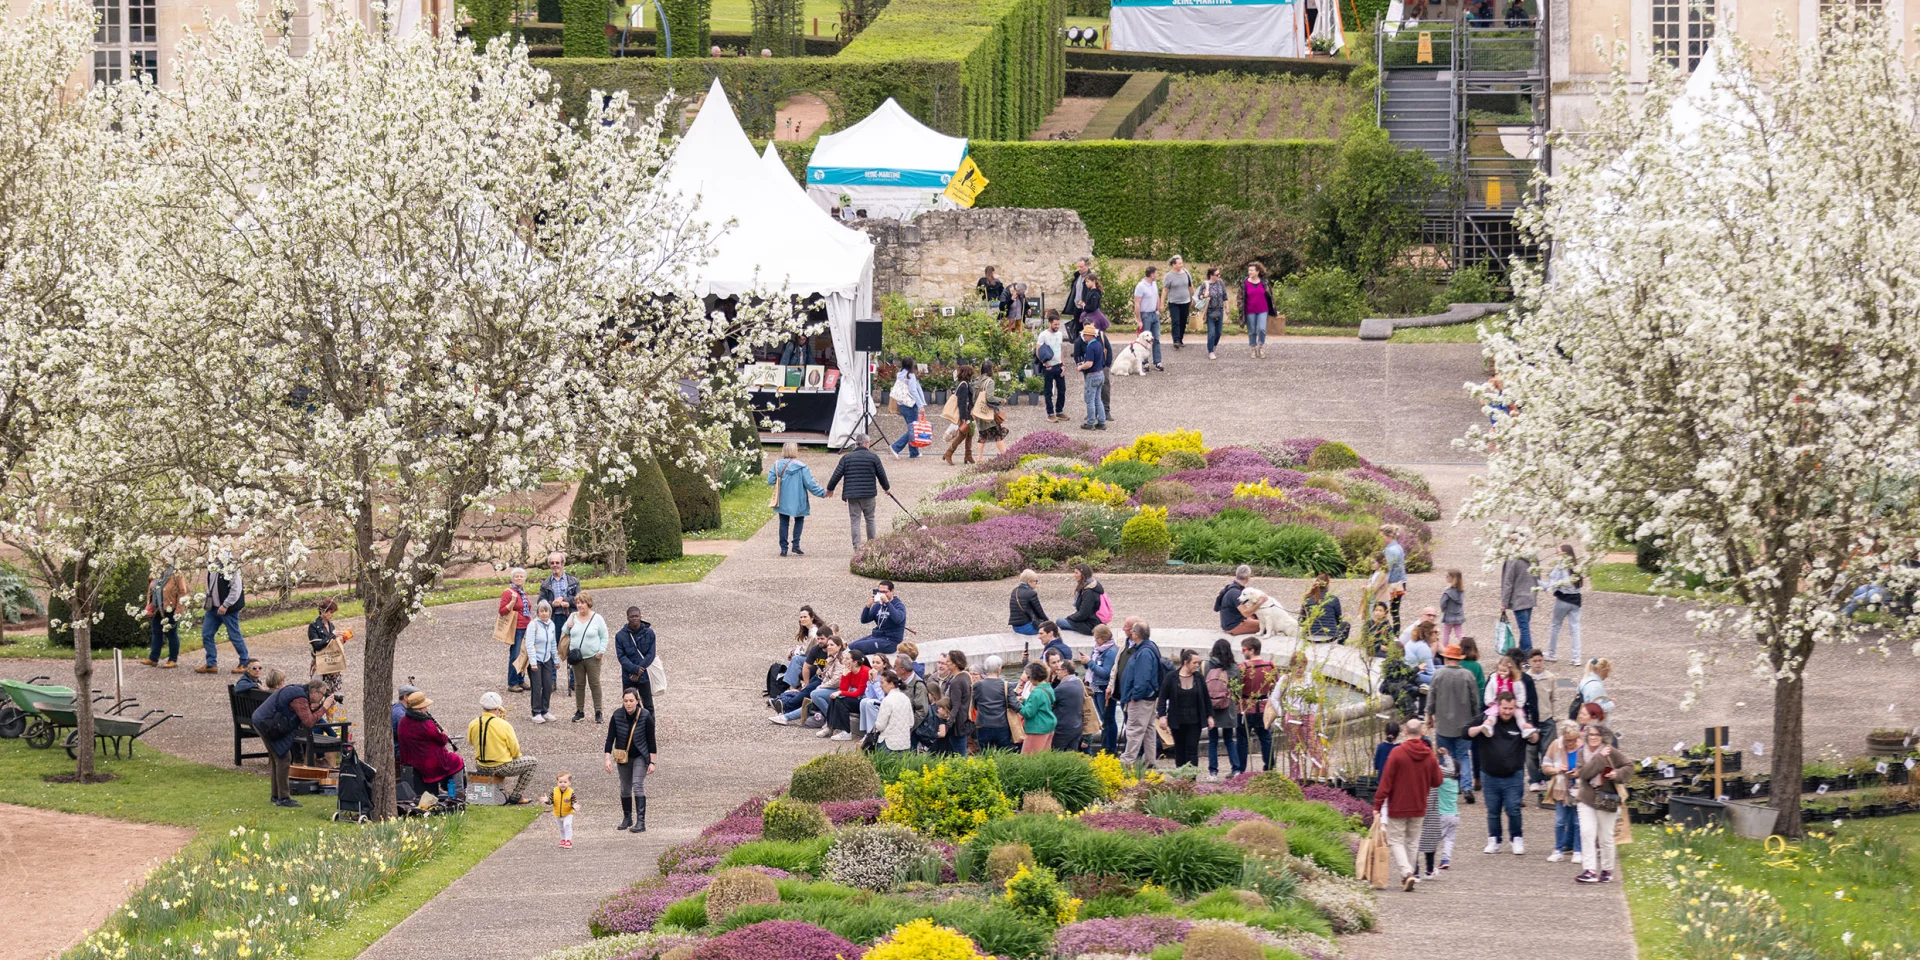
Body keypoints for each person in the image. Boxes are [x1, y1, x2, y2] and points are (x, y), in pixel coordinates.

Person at [1374, 718, 1443, 892]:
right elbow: (1438, 781)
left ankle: (1406, 872)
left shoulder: (1397, 753)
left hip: (1398, 804)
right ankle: (1409, 873)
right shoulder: (1429, 755)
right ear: (1422, 733)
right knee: (1413, 841)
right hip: (1419, 804)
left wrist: (1378, 804)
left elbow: (1386, 782)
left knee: (1395, 840)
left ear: (1405, 732)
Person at [252, 674, 337, 807]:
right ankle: (283, 798)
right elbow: (309, 722)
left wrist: (320, 707)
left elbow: (306, 714)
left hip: (263, 721)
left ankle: (276, 796)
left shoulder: (300, 693)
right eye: (322, 694)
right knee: (283, 758)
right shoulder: (299, 698)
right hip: (266, 724)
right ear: (314, 692)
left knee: (279, 758)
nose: (323, 697)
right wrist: (324, 707)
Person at [1469, 691, 1538, 854]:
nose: (1507, 712)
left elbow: (1535, 740)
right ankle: (1494, 839)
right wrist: (1481, 728)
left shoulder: (1519, 721)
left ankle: (1516, 838)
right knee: (1493, 810)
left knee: (1513, 808)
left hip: (1513, 774)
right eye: (1504, 708)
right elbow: (1466, 732)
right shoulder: (1486, 718)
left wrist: (1532, 732)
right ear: (1498, 707)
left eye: (1510, 709)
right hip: (1489, 774)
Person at [1572, 723, 1632, 883]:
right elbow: (1584, 774)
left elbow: (1629, 766)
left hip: (1606, 798)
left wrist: (1616, 773)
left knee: (1605, 837)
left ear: (1603, 737)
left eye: (1596, 735)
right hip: (1586, 797)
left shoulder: (1611, 752)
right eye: (1590, 735)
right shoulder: (1581, 753)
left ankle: (1607, 869)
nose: (1593, 738)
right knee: (1587, 833)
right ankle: (1590, 870)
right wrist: (1599, 758)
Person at [603, 687, 658, 832]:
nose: (628, 704)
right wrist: (607, 759)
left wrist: (652, 762)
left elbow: (652, 741)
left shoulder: (645, 716)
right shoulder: (617, 715)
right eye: (626, 701)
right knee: (625, 788)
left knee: (637, 784)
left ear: (637, 701)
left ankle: (641, 822)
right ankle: (627, 818)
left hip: (640, 755)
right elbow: (610, 738)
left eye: (631, 701)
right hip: (623, 756)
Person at [1428, 644, 1479, 803]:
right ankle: (1467, 787)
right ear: (1459, 659)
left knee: (1445, 756)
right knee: (1463, 756)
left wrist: (1429, 716)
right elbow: (1475, 701)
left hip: (1443, 723)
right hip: (1464, 724)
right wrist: (1475, 719)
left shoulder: (1438, 674)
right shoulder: (1468, 675)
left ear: (1446, 658)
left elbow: (1431, 698)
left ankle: (1449, 787)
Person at [470, 692, 537, 805]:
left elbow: (471, 741)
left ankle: (497, 791)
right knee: (532, 762)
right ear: (497, 708)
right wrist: (514, 757)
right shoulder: (504, 725)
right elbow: (515, 748)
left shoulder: (473, 723)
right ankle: (516, 795)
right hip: (500, 766)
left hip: (481, 765)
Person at [1266, 651, 1325, 780]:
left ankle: (1320, 774)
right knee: (1294, 748)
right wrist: (1283, 713)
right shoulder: (1285, 679)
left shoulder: (1310, 678)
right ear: (1292, 666)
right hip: (1292, 717)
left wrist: (1314, 713)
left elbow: (1316, 697)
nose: (1300, 669)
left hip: (1307, 715)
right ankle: (1295, 777)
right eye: (1297, 666)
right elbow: (1274, 698)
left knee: (1313, 745)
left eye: (1302, 666)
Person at [1115, 620, 1165, 769]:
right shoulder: (1149, 647)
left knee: (1134, 730)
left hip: (1141, 699)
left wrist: (1134, 696)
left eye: (1133, 632)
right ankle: (1150, 761)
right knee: (1149, 730)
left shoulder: (1144, 652)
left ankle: (1127, 761)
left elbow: (1143, 677)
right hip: (1148, 697)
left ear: (1136, 634)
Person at [826, 433, 890, 551]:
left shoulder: (847, 458)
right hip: (868, 494)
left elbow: (837, 475)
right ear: (866, 443)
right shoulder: (873, 458)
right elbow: (881, 474)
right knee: (870, 518)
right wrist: (886, 488)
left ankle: (857, 547)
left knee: (855, 520)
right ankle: (872, 544)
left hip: (852, 494)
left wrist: (830, 488)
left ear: (857, 444)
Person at [767, 442, 830, 557]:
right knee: (799, 520)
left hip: (783, 498)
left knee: (783, 521)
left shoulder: (777, 465)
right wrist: (823, 493)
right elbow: (810, 484)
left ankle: (783, 548)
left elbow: (770, 480)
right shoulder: (802, 466)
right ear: (795, 451)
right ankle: (796, 545)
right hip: (799, 498)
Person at [396, 689, 464, 794]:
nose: (426, 708)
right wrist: (444, 734)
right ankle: (459, 792)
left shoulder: (403, 721)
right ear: (421, 708)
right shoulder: (425, 724)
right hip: (426, 762)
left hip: (410, 760)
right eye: (425, 706)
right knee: (457, 761)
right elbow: (441, 740)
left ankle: (442, 789)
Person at [772, 636, 845, 725]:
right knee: (811, 702)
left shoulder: (841, 660)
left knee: (814, 694)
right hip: (830, 687)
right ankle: (785, 717)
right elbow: (826, 676)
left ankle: (831, 719)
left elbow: (836, 681)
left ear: (839, 646)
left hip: (838, 690)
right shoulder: (830, 658)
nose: (829, 647)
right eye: (828, 644)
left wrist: (821, 686)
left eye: (832, 645)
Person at [196, 553, 249, 674]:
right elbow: (212, 586)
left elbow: (236, 589)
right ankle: (211, 664)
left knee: (234, 635)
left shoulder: (232, 568)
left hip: (228, 610)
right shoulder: (212, 566)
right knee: (206, 634)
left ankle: (245, 662)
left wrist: (225, 605)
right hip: (213, 608)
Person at [1541, 720, 1584, 864]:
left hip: (1579, 790)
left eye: (1573, 740)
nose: (1570, 743)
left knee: (1578, 822)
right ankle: (1558, 849)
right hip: (1561, 790)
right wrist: (1557, 770)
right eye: (1568, 740)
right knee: (1560, 821)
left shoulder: (1584, 747)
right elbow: (1545, 766)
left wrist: (1579, 772)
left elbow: (1590, 768)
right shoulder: (1556, 745)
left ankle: (1578, 851)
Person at [538, 552, 580, 694]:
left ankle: (574, 681)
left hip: (569, 618)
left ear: (563, 564)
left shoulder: (573, 581)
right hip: (553, 620)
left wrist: (567, 601)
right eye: (552, 563)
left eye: (557, 563)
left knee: (572, 648)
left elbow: (580, 599)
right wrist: (553, 604)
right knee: (552, 650)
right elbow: (541, 604)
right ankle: (552, 681)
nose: (555, 565)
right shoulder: (545, 584)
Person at [565, 591, 610, 723]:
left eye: (582, 603)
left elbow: (604, 636)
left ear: (588, 603)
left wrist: (601, 651)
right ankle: (580, 711)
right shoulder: (573, 616)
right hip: (577, 658)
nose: (580, 605)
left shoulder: (597, 618)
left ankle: (598, 711)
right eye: (578, 603)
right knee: (579, 684)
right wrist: (567, 626)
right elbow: (564, 631)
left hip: (593, 657)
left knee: (595, 684)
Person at [1236, 636, 1277, 772]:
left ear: (1251, 650)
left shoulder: (1243, 667)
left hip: (1246, 707)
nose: (1243, 652)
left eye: (1244, 649)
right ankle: (1270, 766)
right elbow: (1275, 686)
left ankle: (1240, 769)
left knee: (1242, 740)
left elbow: (1237, 688)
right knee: (1266, 737)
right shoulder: (1270, 666)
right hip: (1264, 706)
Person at [1203, 638, 1241, 779]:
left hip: (1211, 706)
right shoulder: (1233, 667)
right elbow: (1237, 691)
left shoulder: (1208, 665)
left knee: (1212, 741)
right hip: (1227, 705)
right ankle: (1236, 769)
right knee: (1229, 739)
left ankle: (1213, 772)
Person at [143, 563, 188, 668]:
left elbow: (182, 591)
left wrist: (179, 610)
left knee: (171, 634)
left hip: (170, 608)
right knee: (156, 632)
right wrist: (148, 605)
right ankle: (153, 658)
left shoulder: (176, 573)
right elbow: (150, 588)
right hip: (156, 608)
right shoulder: (155, 570)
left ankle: (173, 659)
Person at [614, 606, 657, 714]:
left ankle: (649, 729)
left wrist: (639, 670)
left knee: (648, 706)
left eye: (637, 616)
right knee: (630, 706)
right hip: (628, 676)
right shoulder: (620, 636)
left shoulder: (649, 633)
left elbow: (651, 654)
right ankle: (632, 729)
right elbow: (621, 657)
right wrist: (634, 669)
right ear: (627, 618)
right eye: (632, 616)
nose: (635, 619)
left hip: (644, 675)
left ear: (640, 616)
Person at [1547, 543, 1585, 665]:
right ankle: (1576, 657)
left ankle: (1552, 653)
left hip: (1563, 599)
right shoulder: (1576, 567)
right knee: (1575, 629)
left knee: (1555, 626)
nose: (1557, 554)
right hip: (1576, 601)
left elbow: (1555, 581)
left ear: (1564, 554)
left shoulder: (1561, 566)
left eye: (1559, 552)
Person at [1087, 625, 1121, 755]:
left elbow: (1106, 673)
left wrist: (1090, 663)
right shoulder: (1098, 650)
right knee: (1104, 719)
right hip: (1096, 688)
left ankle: (1110, 748)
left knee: (1108, 719)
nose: (1095, 641)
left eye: (1097, 638)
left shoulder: (1111, 652)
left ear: (1103, 638)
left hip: (1104, 689)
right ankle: (1105, 746)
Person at [822, 649, 870, 743]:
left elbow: (858, 693)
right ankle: (829, 727)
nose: (845, 660)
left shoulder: (865, 671)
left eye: (847, 659)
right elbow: (843, 689)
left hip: (863, 700)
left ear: (855, 662)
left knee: (841, 700)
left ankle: (846, 732)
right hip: (855, 698)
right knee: (835, 699)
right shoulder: (849, 670)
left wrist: (840, 693)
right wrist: (844, 675)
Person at [498, 567, 533, 693]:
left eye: (521, 576)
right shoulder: (509, 592)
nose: (519, 578)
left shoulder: (522, 592)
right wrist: (512, 602)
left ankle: (521, 680)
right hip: (516, 628)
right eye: (516, 576)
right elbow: (502, 611)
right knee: (515, 655)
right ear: (512, 578)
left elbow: (527, 610)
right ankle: (512, 683)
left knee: (524, 655)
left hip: (526, 627)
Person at [851, 580, 906, 657]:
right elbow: (864, 620)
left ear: (892, 591)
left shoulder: (898, 605)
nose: (882, 595)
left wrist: (887, 603)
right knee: (849, 647)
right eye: (880, 592)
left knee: (858, 647)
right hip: (876, 636)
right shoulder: (878, 605)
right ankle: (830, 664)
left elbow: (897, 619)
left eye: (885, 592)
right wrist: (868, 606)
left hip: (890, 641)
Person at [931, 650, 972, 754]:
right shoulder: (966, 676)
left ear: (955, 664)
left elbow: (956, 706)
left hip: (957, 724)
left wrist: (948, 724)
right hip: (965, 721)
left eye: (948, 661)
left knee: (959, 753)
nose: (946, 663)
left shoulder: (956, 681)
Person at [526, 600, 560, 722]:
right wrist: (533, 662)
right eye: (542, 611)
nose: (544, 613)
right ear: (538, 612)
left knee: (548, 685)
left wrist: (556, 659)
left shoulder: (551, 624)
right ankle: (536, 712)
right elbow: (529, 644)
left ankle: (545, 710)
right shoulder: (533, 625)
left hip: (547, 659)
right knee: (537, 685)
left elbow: (553, 643)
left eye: (546, 611)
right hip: (536, 659)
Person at [1501, 549, 1539, 653]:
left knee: (1524, 628)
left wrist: (1504, 602)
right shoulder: (1532, 555)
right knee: (1525, 625)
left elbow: (1508, 582)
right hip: (1530, 595)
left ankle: (1528, 652)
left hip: (1518, 598)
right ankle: (1522, 650)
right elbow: (1537, 574)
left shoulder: (1513, 559)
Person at [887, 358, 926, 460]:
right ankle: (896, 447)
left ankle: (914, 452)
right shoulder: (911, 376)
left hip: (901, 403)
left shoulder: (900, 374)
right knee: (913, 429)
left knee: (912, 427)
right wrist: (920, 405)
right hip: (910, 404)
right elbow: (913, 391)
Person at [1014, 661, 1057, 754]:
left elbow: (1028, 713)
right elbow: (1041, 704)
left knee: (1029, 758)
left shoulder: (1036, 692)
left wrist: (1016, 705)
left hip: (1037, 728)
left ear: (1034, 676)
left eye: (1029, 677)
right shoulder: (1048, 688)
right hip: (1048, 725)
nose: (1028, 680)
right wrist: (1025, 701)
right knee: (1044, 758)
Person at [973, 655, 1013, 750]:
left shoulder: (978, 685)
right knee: (1004, 754)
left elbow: (975, 704)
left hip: (982, 724)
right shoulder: (1005, 685)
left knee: (985, 754)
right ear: (999, 670)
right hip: (1001, 725)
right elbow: (1013, 704)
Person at [869, 671, 915, 752]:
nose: (880, 685)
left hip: (888, 744)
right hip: (905, 744)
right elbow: (911, 722)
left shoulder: (887, 700)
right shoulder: (906, 698)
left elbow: (880, 726)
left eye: (882, 682)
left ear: (891, 684)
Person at [1036, 311, 1069, 423]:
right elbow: (1038, 351)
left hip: (1059, 365)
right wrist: (1045, 363)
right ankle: (1050, 413)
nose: (1057, 327)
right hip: (1049, 367)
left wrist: (1063, 364)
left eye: (1058, 324)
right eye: (1055, 324)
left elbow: (1060, 350)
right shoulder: (1043, 335)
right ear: (1049, 323)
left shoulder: (1059, 334)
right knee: (1048, 391)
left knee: (1062, 390)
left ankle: (1059, 411)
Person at [1056, 563, 1106, 635]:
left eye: (1076, 573)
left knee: (1060, 621)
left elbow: (1084, 613)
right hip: (1091, 619)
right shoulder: (1087, 587)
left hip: (1091, 624)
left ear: (1083, 574)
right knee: (1064, 621)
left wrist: (1070, 618)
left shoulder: (1089, 592)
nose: (1074, 575)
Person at [943, 364, 977, 465]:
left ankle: (968, 455)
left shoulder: (963, 383)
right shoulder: (963, 385)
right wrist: (964, 418)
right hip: (965, 414)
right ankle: (949, 453)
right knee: (962, 435)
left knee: (970, 433)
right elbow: (961, 403)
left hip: (968, 413)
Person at [1050, 657, 1086, 752]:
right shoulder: (1078, 682)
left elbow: (1048, 702)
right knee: (1071, 757)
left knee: (1056, 756)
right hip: (1077, 727)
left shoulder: (1062, 688)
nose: (1056, 672)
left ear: (1065, 671)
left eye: (1058, 670)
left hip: (1062, 729)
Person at [1076, 324, 1108, 431]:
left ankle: (1090, 422)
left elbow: (1089, 363)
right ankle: (1102, 422)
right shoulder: (1098, 344)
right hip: (1100, 374)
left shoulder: (1090, 347)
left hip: (1092, 376)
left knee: (1090, 400)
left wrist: (1080, 367)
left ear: (1090, 335)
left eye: (1085, 334)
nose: (1083, 336)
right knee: (1098, 399)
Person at [1238, 262, 1273, 359]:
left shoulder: (1264, 282)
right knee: (1252, 331)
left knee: (1262, 329)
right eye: (1249, 270)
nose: (1249, 272)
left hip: (1263, 309)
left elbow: (1270, 296)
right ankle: (1253, 347)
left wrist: (1273, 308)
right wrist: (1240, 307)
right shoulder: (1244, 283)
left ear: (1257, 271)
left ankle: (1260, 346)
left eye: (1252, 270)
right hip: (1250, 310)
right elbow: (1240, 297)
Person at [971, 362, 1007, 456]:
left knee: (982, 435)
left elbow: (974, 398)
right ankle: (1005, 456)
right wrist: (1001, 400)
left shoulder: (977, 381)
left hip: (979, 411)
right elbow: (990, 398)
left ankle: (979, 457)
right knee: (998, 435)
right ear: (990, 369)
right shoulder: (989, 381)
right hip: (988, 412)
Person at [1133, 265, 1164, 370]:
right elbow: (1137, 303)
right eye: (1156, 273)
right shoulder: (1141, 286)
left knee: (1156, 338)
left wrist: (1158, 309)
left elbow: (1157, 296)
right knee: (1145, 339)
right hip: (1145, 314)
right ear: (1151, 275)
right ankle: (1144, 362)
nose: (1157, 275)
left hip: (1154, 314)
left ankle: (1157, 361)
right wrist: (1139, 320)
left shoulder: (1154, 283)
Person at [308, 598, 348, 680]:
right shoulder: (313, 626)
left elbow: (332, 644)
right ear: (323, 612)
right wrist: (332, 635)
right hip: (321, 662)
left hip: (332, 662)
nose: (332, 615)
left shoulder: (331, 625)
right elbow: (317, 646)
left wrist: (342, 639)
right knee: (318, 688)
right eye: (330, 612)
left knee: (333, 690)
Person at [1301, 574, 1347, 641]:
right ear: (1327, 585)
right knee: (1345, 625)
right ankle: (1340, 644)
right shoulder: (1333, 599)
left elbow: (1301, 621)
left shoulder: (1307, 598)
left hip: (1309, 637)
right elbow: (1339, 620)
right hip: (1330, 636)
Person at [1164, 255, 1193, 351]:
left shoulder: (1186, 273)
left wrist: (1193, 298)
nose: (1181, 265)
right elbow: (1165, 290)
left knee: (1183, 321)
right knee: (1175, 321)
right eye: (1179, 263)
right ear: (1174, 264)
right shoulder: (1169, 276)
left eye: (1182, 263)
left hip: (1185, 301)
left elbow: (1190, 286)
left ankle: (1180, 339)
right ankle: (1175, 340)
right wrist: (1161, 303)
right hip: (1174, 302)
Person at [1008, 569, 1049, 635]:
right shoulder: (1031, 593)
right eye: (1035, 581)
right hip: (1027, 627)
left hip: (1015, 627)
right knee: (1049, 628)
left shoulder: (1015, 591)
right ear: (1029, 582)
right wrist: (1048, 622)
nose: (1036, 583)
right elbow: (1040, 612)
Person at [1382, 526, 1407, 633]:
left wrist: (1382, 584)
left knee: (1383, 609)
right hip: (1401, 582)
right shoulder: (1399, 547)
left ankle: (1387, 633)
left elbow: (1388, 569)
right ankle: (1395, 633)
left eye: (1383, 536)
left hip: (1392, 584)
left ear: (1388, 536)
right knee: (1395, 611)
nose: (1382, 538)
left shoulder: (1390, 550)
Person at [1199, 266, 1228, 360]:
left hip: (1220, 310)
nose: (1219, 276)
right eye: (1217, 274)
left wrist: (1227, 307)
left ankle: (1214, 345)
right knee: (1211, 332)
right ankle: (1210, 351)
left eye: (1219, 274)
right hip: (1210, 310)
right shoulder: (1205, 284)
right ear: (1211, 275)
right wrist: (1204, 295)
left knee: (1218, 332)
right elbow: (1199, 296)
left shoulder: (1221, 283)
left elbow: (1225, 296)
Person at [544, 771, 577, 848]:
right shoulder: (554, 791)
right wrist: (547, 800)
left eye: (565, 782)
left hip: (568, 813)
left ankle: (568, 840)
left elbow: (574, 801)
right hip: (557, 813)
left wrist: (574, 806)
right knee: (561, 828)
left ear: (569, 783)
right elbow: (551, 801)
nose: (562, 784)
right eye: (560, 782)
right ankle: (563, 839)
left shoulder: (571, 792)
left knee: (567, 824)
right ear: (557, 782)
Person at [1215, 565, 1252, 634]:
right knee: (1266, 625)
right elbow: (1246, 613)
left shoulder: (1231, 587)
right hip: (1234, 626)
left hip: (1229, 623)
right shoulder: (1236, 593)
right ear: (1248, 578)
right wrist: (1260, 602)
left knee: (1257, 618)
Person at [1440, 569, 1466, 646]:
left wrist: (1443, 609)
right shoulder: (1461, 591)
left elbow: (1443, 603)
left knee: (1446, 634)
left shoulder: (1447, 592)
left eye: (1447, 576)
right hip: (1459, 615)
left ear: (1452, 578)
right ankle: (1467, 645)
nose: (1446, 578)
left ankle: (1445, 649)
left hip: (1449, 616)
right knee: (1459, 634)